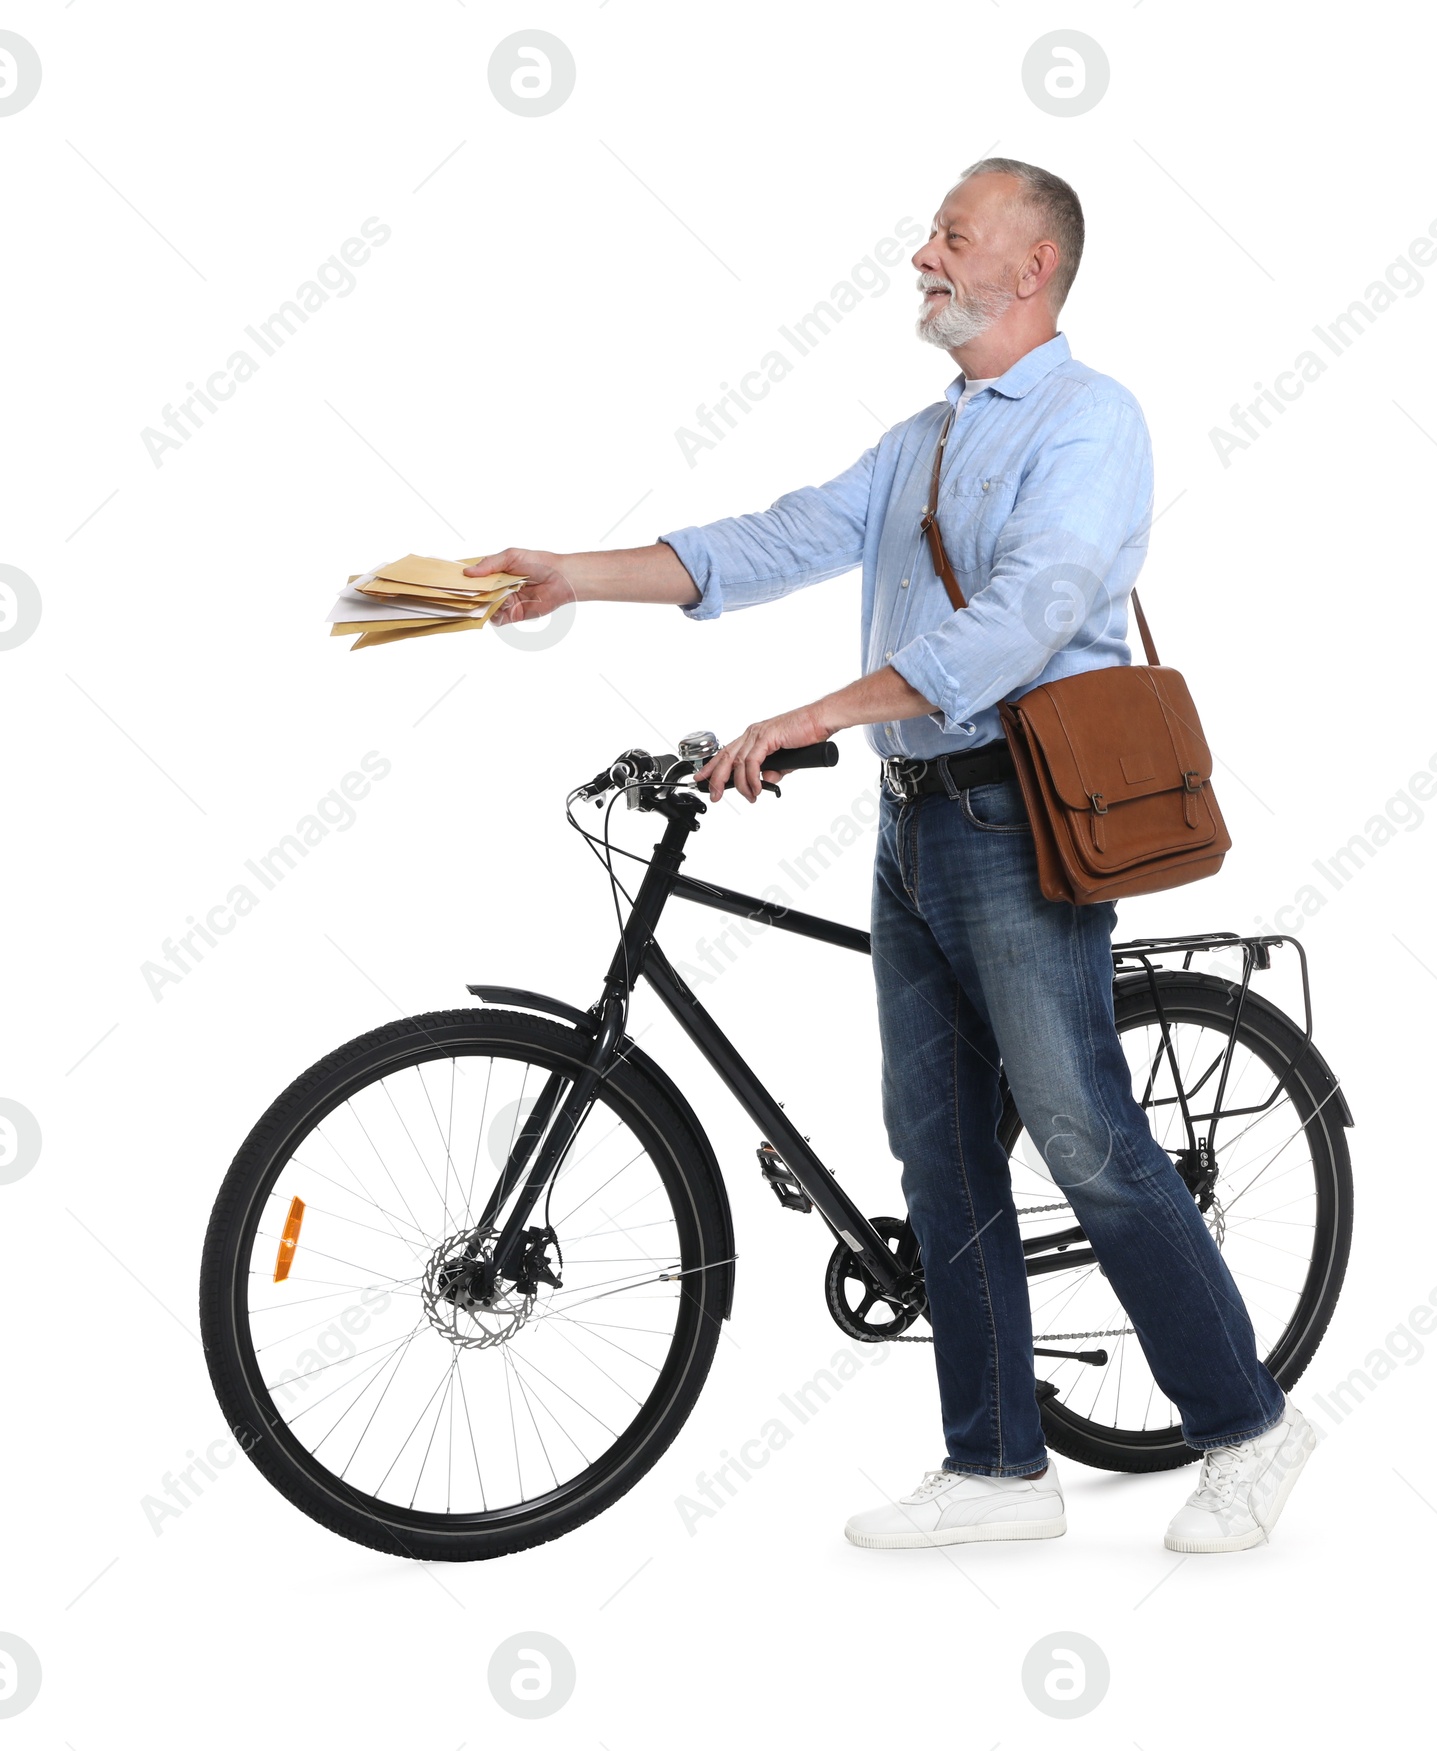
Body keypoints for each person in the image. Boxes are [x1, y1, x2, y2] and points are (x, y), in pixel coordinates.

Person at [468, 158, 1314, 1555]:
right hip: (915, 816)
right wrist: (577, 571)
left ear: (1030, 269)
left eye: (953, 235)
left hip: (1023, 814)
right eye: (933, 233)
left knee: (1086, 1139)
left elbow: (1027, 617)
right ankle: (995, 1470)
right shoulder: (925, 437)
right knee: (936, 1151)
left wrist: (817, 711)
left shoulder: (1093, 424)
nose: (924, 253)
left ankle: (1251, 1428)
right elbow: (785, 535)